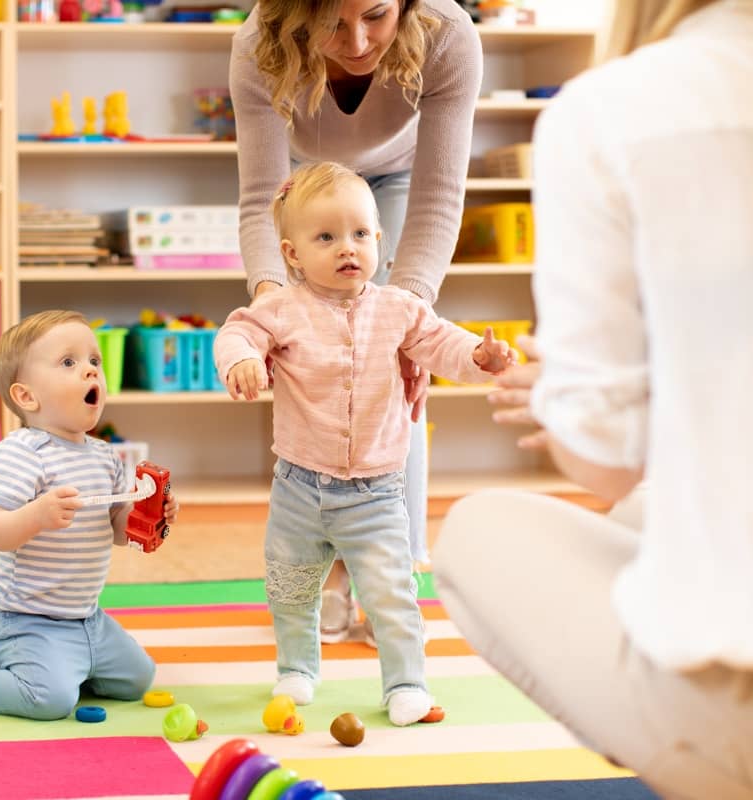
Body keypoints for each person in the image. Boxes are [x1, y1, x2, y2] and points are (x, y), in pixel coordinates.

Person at [432, 1, 753, 797]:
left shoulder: (608, 111)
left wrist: (565, 399)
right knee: (642, 519)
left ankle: (707, 762)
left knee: (478, 530)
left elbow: (604, 463)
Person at [214, 162, 517, 726]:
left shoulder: (399, 308)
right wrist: (244, 360)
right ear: (292, 254)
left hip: (377, 493)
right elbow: (237, 332)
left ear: (379, 240)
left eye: (359, 234)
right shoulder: (281, 309)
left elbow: (442, 344)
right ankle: (297, 668)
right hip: (299, 487)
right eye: (325, 237)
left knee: (392, 595)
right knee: (289, 588)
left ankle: (406, 683)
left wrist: (479, 357)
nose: (346, 248)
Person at [230, 0, 483, 643]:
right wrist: (270, 303)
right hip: (301, 185)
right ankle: (325, 573)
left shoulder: (448, 36)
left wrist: (403, 327)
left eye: (376, 15)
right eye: (334, 25)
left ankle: (390, 575)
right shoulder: (258, 41)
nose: (359, 41)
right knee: (311, 359)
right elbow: (263, 198)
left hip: (398, 182)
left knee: (395, 372)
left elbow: (437, 196)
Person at [0, 309, 178, 721]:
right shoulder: (21, 453)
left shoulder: (105, 456)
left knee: (138, 680)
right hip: (22, 618)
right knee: (49, 702)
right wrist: (38, 515)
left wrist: (149, 515)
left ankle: (68, 665)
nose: (91, 372)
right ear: (26, 397)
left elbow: (115, 529)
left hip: (86, 617)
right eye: (69, 363)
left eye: (95, 361)